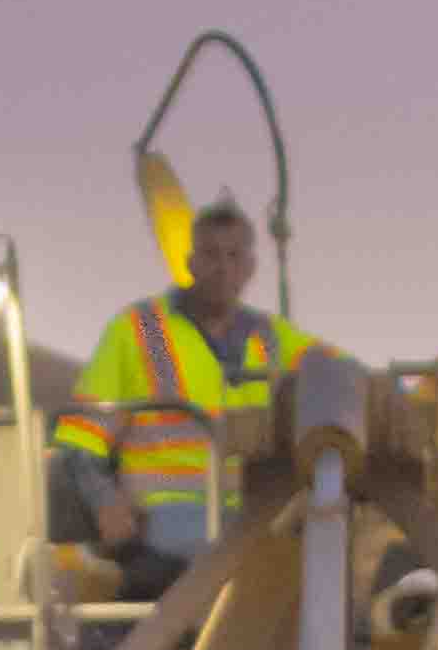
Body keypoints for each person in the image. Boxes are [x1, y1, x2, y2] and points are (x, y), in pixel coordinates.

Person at [50, 199, 319, 589]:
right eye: (210, 254)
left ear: (249, 268)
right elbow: (80, 441)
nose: (222, 267)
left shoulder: (275, 338)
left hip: (255, 515)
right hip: (161, 522)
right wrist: (106, 502)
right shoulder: (138, 330)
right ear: (190, 262)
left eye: (233, 255)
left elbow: (341, 374)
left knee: (328, 552)